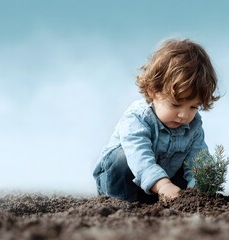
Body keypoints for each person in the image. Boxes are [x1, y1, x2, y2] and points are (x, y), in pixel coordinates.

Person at [93, 39, 220, 203]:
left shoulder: (193, 125)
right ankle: (121, 204)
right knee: (122, 159)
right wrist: (162, 185)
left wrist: (199, 190)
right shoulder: (137, 118)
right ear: (154, 91)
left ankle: (171, 200)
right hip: (120, 181)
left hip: (159, 186)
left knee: (197, 166)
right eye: (176, 104)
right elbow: (139, 157)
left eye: (193, 107)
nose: (184, 115)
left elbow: (198, 157)